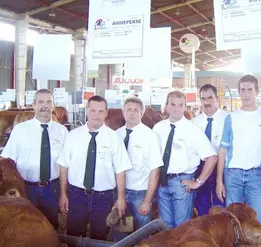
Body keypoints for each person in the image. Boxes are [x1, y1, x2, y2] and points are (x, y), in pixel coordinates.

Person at [58, 95, 132, 241]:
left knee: (100, 237)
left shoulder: (114, 138)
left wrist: (120, 198)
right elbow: (63, 167)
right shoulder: (73, 136)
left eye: (100, 111)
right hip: (77, 195)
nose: (96, 116)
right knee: (73, 235)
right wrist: (63, 194)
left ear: (106, 113)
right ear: (87, 111)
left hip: (103, 197)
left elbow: (120, 171)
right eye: (92, 111)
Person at [1, 89, 68, 229]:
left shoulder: (62, 131)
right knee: (25, 227)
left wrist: (63, 194)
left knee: (51, 227)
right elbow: (7, 161)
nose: (45, 105)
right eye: (41, 102)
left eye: (49, 102)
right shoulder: (20, 130)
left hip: (52, 189)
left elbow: (64, 166)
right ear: (34, 105)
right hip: (27, 189)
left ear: (53, 106)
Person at [216, 74, 261, 225]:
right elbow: (223, 150)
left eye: (250, 89)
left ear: (257, 91)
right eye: (243, 90)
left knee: (259, 221)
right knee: (233, 222)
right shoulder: (231, 118)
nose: (246, 94)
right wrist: (219, 180)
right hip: (232, 175)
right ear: (239, 92)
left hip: (256, 175)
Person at [153, 91, 217, 228]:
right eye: (173, 104)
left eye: (181, 105)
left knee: (182, 227)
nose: (177, 108)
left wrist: (198, 182)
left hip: (182, 183)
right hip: (161, 182)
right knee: (165, 227)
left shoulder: (193, 130)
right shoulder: (158, 128)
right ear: (167, 106)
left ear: (185, 107)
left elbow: (212, 157)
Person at [115, 97, 163, 237]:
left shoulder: (151, 136)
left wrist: (147, 201)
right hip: (118, 192)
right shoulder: (116, 135)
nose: (131, 113)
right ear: (123, 113)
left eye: (135, 110)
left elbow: (155, 171)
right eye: (128, 110)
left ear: (141, 114)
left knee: (142, 235)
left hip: (139, 194)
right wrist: (118, 197)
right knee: (121, 233)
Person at [192, 84, 228, 216]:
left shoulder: (228, 119)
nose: (206, 102)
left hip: (223, 167)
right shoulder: (194, 123)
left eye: (210, 98)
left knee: (221, 204)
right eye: (203, 99)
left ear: (217, 98)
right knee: (202, 205)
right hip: (202, 168)